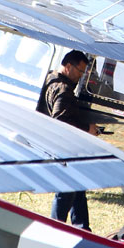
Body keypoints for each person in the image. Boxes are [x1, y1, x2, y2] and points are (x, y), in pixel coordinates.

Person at [36, 49, 99, 229]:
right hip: (63, 146)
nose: (81, 76)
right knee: (66, 190)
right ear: (68, 66)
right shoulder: (63, 89)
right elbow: (60, 119)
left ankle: (82, 227)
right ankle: (56, 227)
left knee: (77, 185)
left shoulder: (50, 78)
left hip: (57, 144)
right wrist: (88, 128)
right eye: (79, 71)